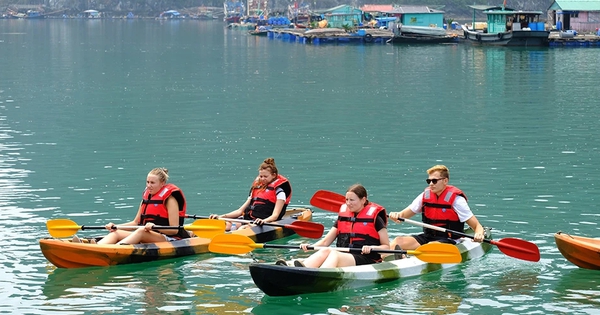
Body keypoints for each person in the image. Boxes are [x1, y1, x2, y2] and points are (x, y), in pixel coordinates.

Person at [388, 165, 485, 252]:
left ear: (445, 181)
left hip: (450, 240)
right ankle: (392, 260)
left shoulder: (457, 200)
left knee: (431, 247)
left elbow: (477, 226)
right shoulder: (424, 196)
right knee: (397, 241)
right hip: (428, 237)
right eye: (428, 181)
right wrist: (396, 215)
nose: (430, 184)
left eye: (434, 181)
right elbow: (402, 216)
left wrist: (479, 234)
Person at [294, 184, 389, 268]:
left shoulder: (376, 219)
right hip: (345, 256)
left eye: (352, 200)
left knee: (334, 254)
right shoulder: (343, 217)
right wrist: (310, 247)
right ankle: (303, 268)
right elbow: (325, 242)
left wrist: (371, 248)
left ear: (363, 200)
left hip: (367, 259)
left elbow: (386, 247)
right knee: (326, 251)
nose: (348, 203)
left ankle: (318, 274)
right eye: (346, 200)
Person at [96, 168, 189, 245]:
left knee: (141, 231)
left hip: (169, 238)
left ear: (162, 183)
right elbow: (135, 223)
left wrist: (155, 227)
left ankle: (115, 249)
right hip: (149, 235)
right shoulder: (146, 199)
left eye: (152, 183)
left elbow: (174, 230)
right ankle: (98, 247)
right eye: (147, 182)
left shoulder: (170, 200)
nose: (149, 186)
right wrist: (116, 226)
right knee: (115, 233)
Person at [209, 158, 291, 230]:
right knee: (225, 225)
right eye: (261, 176)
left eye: (265, 177)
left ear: (273, 175)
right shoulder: (256, 189)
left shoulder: (280, 192)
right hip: (247, 220)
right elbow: (240, 211)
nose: (262, 179)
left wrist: (263, 221)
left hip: (263, 222)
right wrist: (220, 216)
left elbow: (275, 216)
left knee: (242, 229)